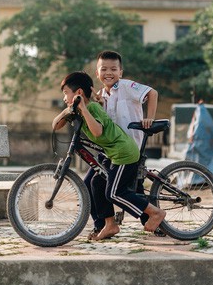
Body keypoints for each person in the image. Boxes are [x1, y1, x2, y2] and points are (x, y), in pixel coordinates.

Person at [52, 71, 166, 241]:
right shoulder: (80, 109)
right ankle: (109, 224)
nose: (64, 97)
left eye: (66, 93)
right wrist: (68, 109)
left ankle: (155, 213)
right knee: (95, 182)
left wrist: (83, 107)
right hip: (113, 153)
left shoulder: (92, 108)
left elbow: (97, 132)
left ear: (79, 93)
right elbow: (56, 125)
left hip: (123, 152)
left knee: (114, 193)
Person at [89, 50, 159, 236]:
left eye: (113, 69)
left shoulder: (127, 86)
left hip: (129, 148)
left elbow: (152, 93)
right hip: (113, 149)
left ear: (121, 72)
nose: (108, 73)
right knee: (92, 182)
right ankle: (102, 224)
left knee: (123, 189)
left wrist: (149, 118)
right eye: (104, 69)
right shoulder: (101, 95)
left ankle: (154, 218)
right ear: (97, 73)